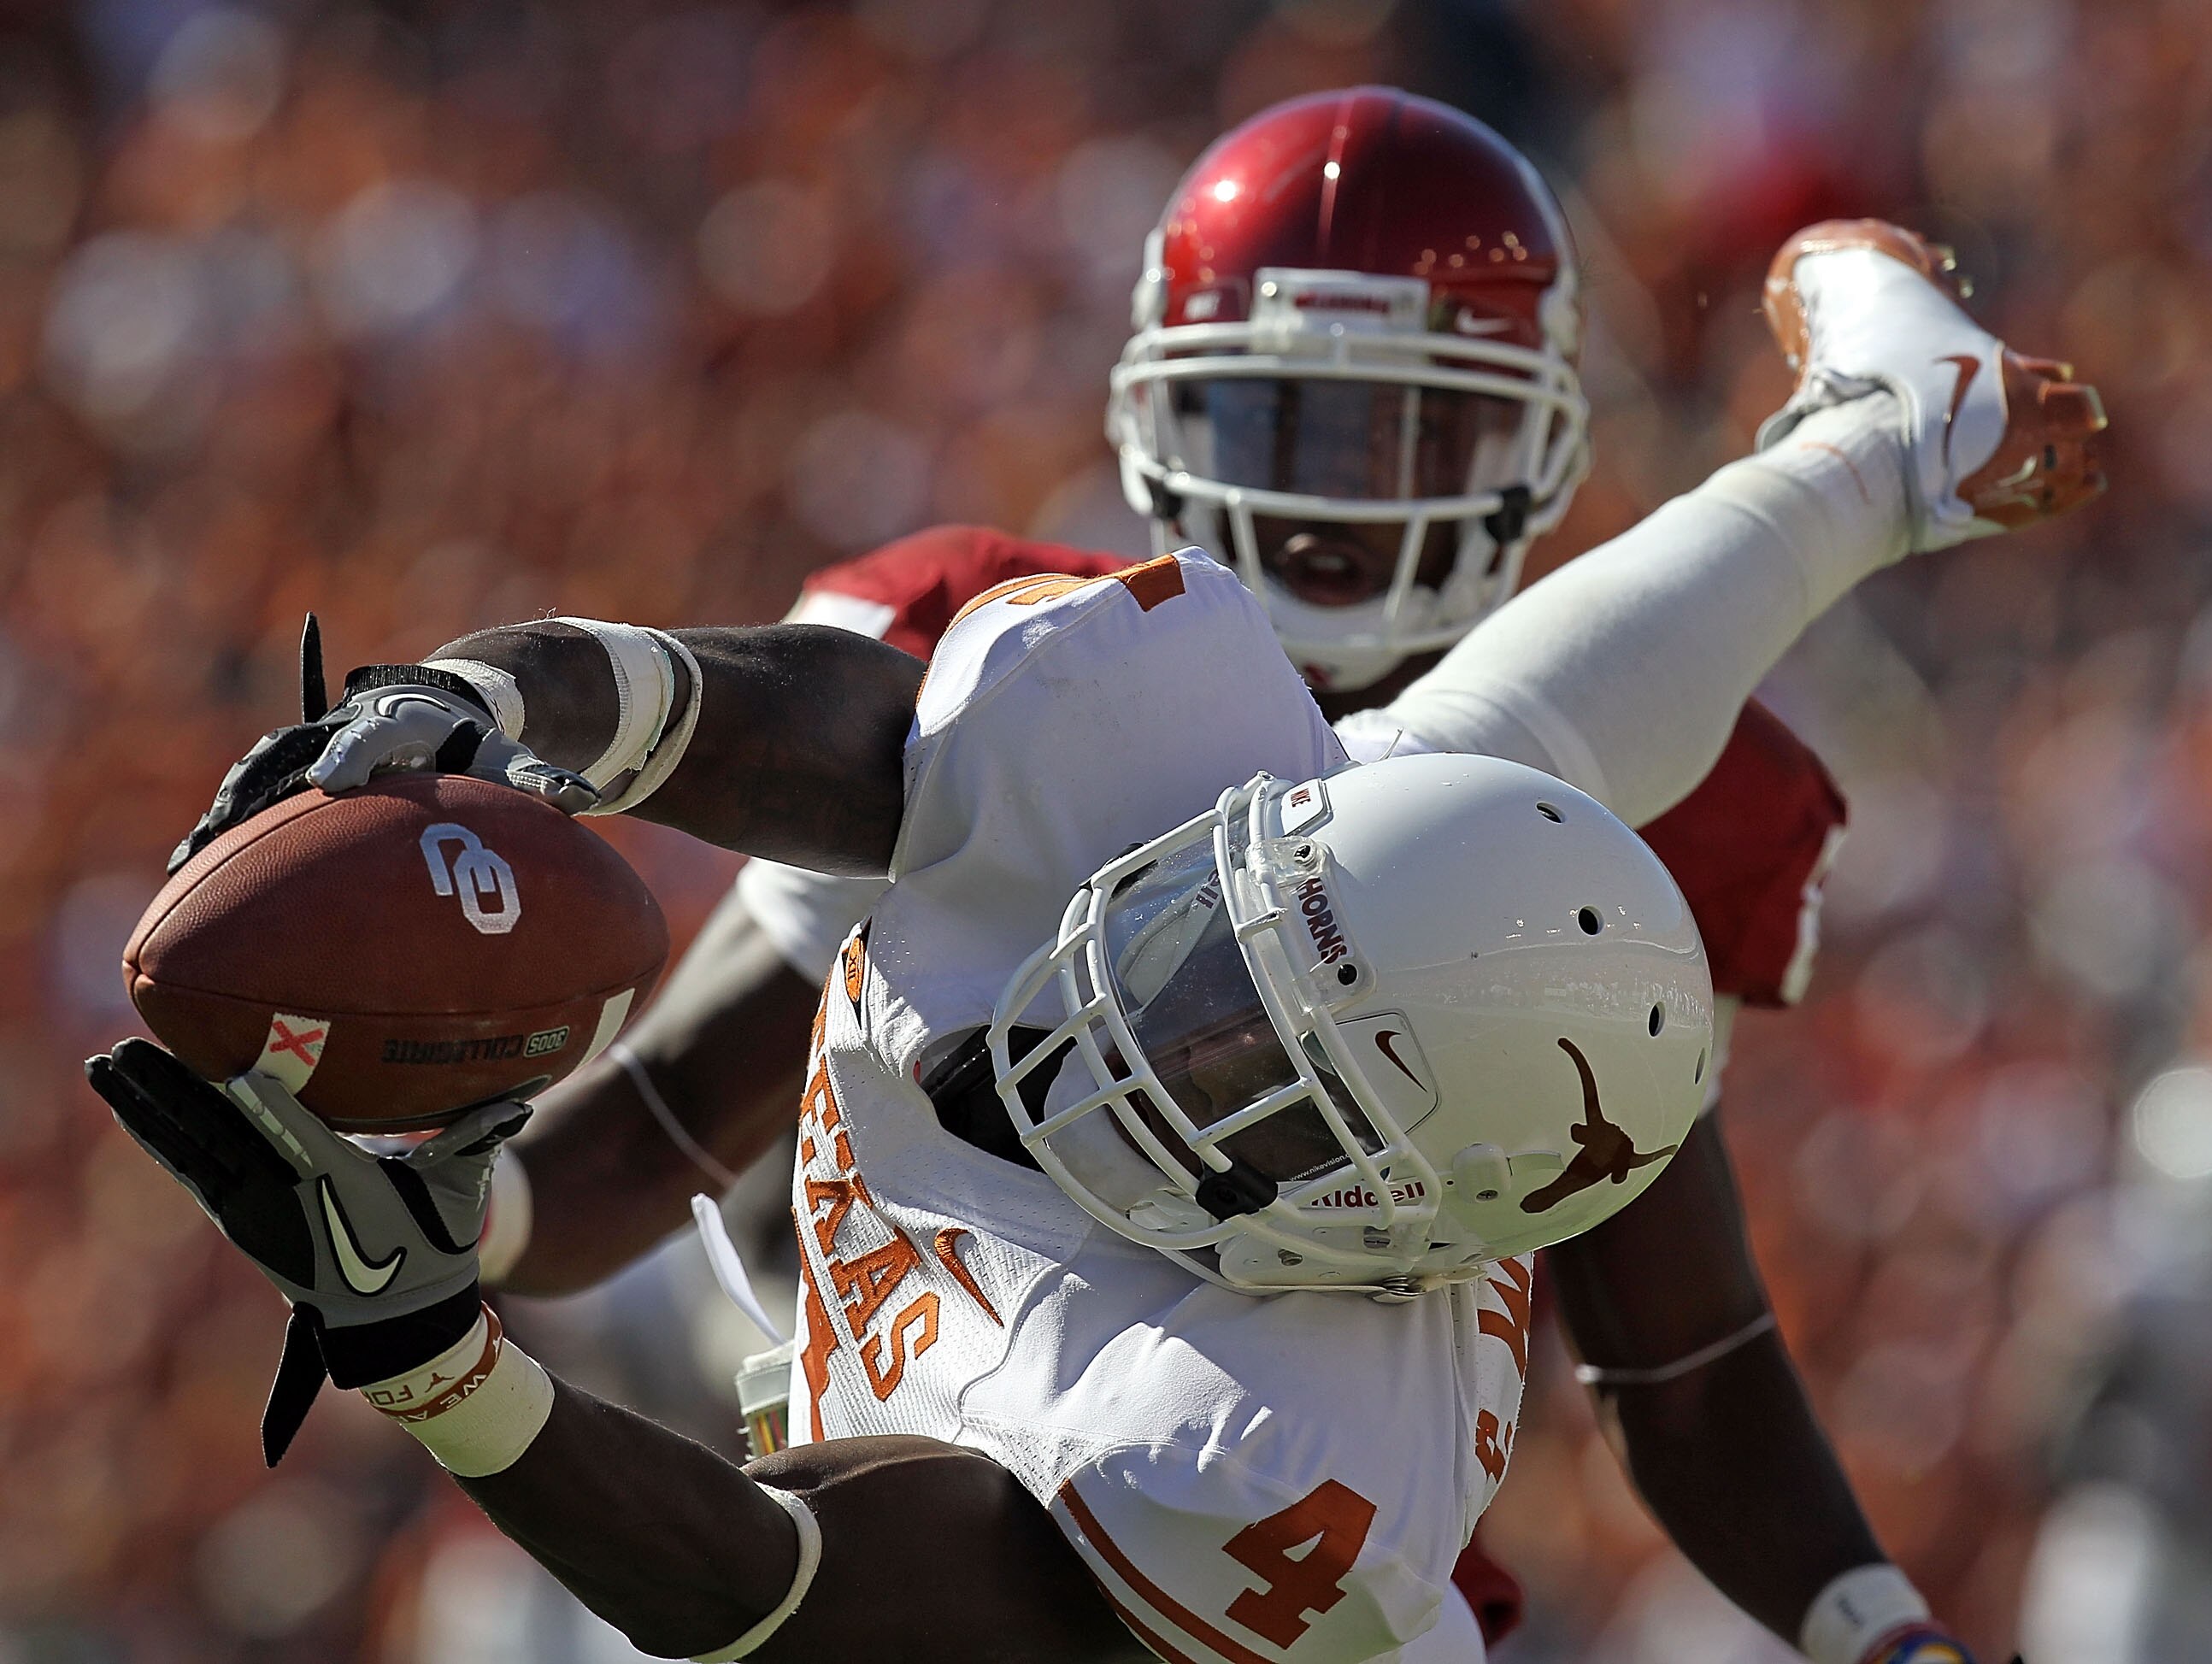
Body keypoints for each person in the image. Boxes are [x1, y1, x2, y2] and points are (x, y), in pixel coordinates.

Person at [115, 101, 2099, 1664]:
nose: (1148, 1029)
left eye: (1398, 422)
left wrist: (435, 1352)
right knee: (1437, 784)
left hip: (1130, 1546)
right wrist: (522, 683)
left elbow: (785, 1589)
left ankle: (1888, 452)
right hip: (1110, 1211)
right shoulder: (1146, 712)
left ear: (1395, 1223)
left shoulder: (1246, 1442)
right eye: (1284, 413)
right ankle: (1894, 440)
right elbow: (839, 779)